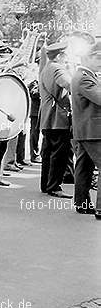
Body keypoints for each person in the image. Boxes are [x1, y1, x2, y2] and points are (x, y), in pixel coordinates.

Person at [39, 41, 73, 198]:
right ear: (59, 55)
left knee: (48, 153)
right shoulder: (58, 69)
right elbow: (71, 85)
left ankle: (46, 184)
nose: (66, 58)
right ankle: (54, 187)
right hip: (58, 118)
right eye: (65, 55)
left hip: (48, 117)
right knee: (59, 155)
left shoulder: (47, 68)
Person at [71, 41, 101, 219]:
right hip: (93, 131)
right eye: (98, 58)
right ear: (87, 57)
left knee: (84, 167)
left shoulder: (86, 75)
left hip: (86, 130)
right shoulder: (84, 77)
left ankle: (82, 203)